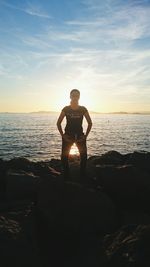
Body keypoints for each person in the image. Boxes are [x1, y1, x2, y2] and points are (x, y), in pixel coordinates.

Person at [56, 89, 92, 181]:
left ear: (79, 97)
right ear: (70, 97)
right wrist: (63, 136)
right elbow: (58, 123)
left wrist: (85, 136)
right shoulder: (66, 109)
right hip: (68, 136)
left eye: (77, 95)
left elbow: (90, 123)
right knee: (64, 157)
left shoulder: (83, 109)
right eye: (73, 95)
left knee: (84, 156)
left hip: (80, 136)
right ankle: (67, 176)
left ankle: (82, 175)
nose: (75, 97)